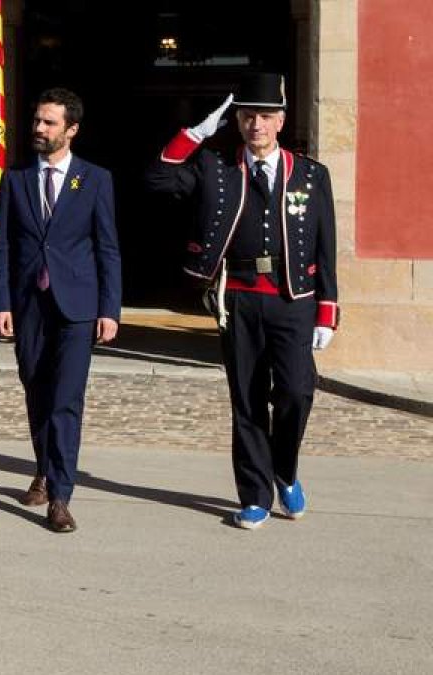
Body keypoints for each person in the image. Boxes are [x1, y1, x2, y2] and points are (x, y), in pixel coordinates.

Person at [146, 73, 339, 530]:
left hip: (295, 300)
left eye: (266, 116)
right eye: (248, 115)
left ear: (281, 121)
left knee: (297, 391)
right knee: (248, 399)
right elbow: (157, 178)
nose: (257, 124)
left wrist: (328, 311)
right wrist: (195, 134)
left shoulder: (311, 174)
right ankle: (254, 494)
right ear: (236, 120)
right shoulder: (215, 167)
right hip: (239, 299)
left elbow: (326, 246)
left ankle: (284, 469)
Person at [0, 88, 121, 533]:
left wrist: (110, 308)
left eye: (49, 123)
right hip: (29, 305)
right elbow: (4, 246)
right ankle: (44, 469)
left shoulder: (95, 179)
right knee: (37, 392)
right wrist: (2, 302)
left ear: (71, 130)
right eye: (37, 121)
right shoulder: (16, 179)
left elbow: (108, 248)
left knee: (66, 400)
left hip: (78, 306)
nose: (39, 129)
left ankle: (61, 496)